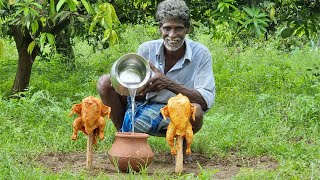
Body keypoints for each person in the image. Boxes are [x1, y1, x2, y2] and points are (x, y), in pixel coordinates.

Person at [97, 0, 215, 163]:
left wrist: (168, 83)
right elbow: (135, 95)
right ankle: (125, 139)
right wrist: (139, 87)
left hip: (177, 113)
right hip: (145, 106)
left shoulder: (201, 54)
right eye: (167, 28)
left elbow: (205, 101)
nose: (172, 35)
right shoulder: (146, 49)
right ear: (160, 29)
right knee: (105, 82)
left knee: (196, 110)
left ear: (187, 29)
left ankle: (182, 145)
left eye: (178, 28)